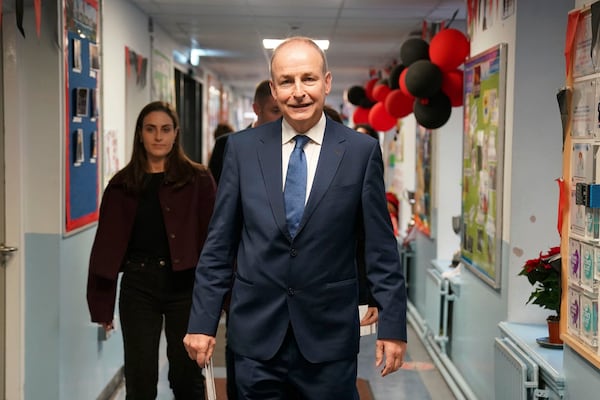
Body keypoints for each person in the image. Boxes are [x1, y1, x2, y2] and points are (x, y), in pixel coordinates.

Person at [184, 37, 407, 399]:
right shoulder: (240, 151)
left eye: (309, 79)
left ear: (327, 82)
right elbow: (219, 244)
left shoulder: (360, 152)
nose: (298, 92)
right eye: (287, 81)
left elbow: (381, 248)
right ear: (273, 89)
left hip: (328, 339)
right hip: (256, 338)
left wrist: (393, 326)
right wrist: (202, 323)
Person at [87, 101, 216, 400]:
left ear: (175, 134)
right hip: (139, 286)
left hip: (185, 287)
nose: (158, 136)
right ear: (140, 135)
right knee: (140, 377)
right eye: (151, 129)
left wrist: (221, 297)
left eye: (165, 129)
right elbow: (105, 247)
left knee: (186, 376)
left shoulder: (198, 180)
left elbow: (215, 241)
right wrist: (101, 304)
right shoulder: (122, 184)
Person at [208, 80, 282, 184]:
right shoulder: (225, 145)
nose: (282, 118)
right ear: (256, 109)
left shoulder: (293, 146)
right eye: (276, 111)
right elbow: (215, 192)